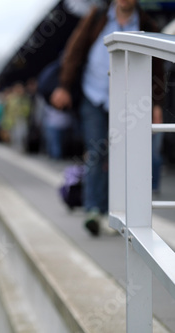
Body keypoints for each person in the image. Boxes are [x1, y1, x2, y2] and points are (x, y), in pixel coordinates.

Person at [50, 0, 164, 236]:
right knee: (96, 151)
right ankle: (94, 209)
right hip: (95, 97)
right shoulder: (96, 17)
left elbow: (157, 67)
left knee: (124, 156)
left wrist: (156, 104)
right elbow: (75, 51)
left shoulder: (146, 23)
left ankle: (118, 212)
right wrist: (63, 85)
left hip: (129, 102)